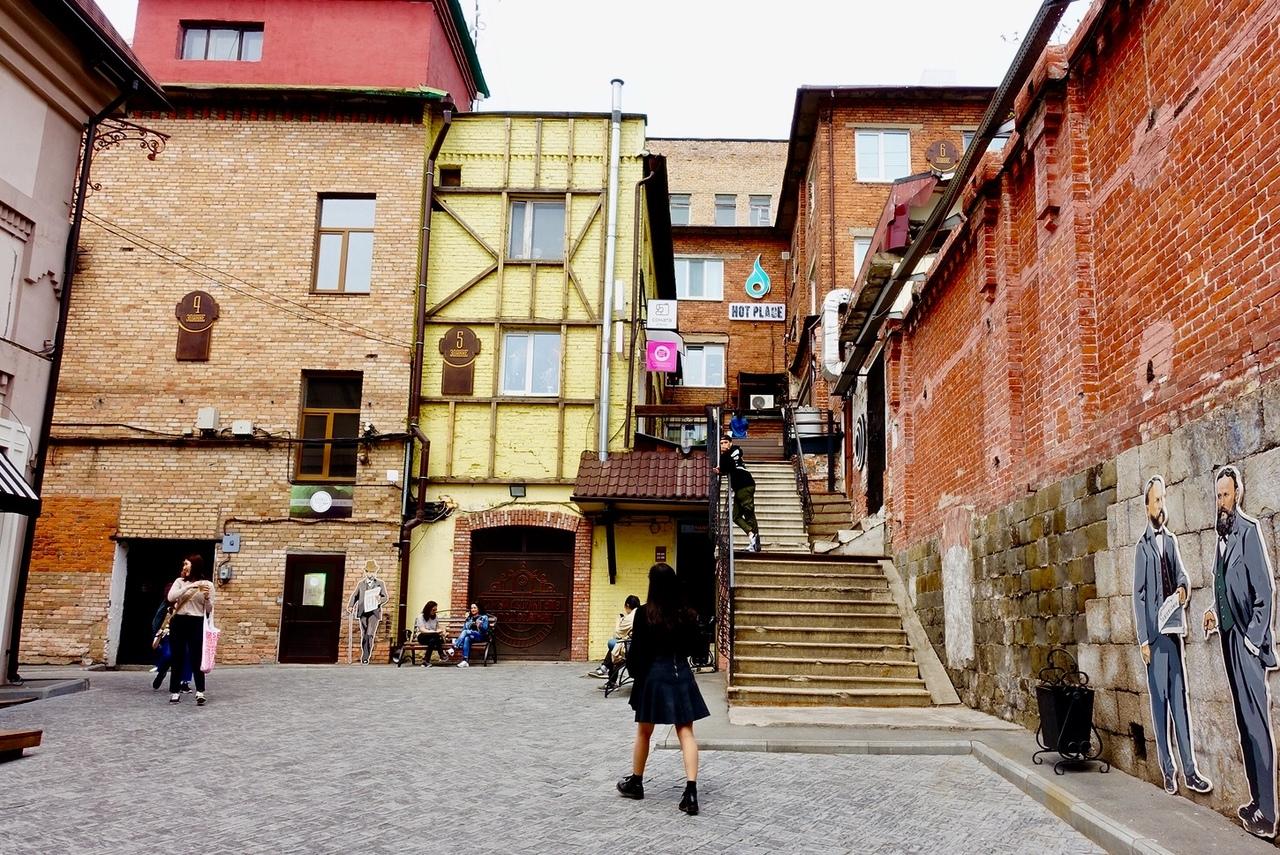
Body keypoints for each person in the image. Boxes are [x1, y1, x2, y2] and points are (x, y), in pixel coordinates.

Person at [1203, 466, 1277, 839]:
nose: (1222, 502)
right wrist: (1214, 613)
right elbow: (1225, 588)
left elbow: (1265, 593)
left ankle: (1269, 813)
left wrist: (1252, 639)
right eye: (1218, 496)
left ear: (1238, 495)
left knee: (1258, 726)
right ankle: (1256, 801)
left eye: (1226, 495)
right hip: (1228, 639)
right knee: (1244, 726)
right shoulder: (1222, 539)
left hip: (1247, 643)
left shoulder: (1247, 532)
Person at [1132, 475, 1211, 796]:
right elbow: (1138, 596)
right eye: (1157, 500)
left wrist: (1182, 589)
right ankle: (1168, 770)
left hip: (1174, 636)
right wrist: (1143, 640)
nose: (1161, 505)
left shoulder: (1172, 541)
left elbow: (1182, 576)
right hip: (1154, 640)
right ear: (1147, 507)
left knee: (1180, 703)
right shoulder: (1142, 548)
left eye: (1163, 499)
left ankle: (1190, 771)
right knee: (1160, 706)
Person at [616, 563, 710, 816]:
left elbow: (636, 652)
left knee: (644, 731)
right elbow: (699, 650)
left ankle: (636, 782)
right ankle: (691, 791)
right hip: (680, 673)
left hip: (653, 676)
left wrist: (637, 677)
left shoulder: (643, 613)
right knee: (686, 731)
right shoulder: (686, 613)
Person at [166, 555, 214, 706]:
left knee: (196, 657)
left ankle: (200, 691)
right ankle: (175, 691)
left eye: (186, 564)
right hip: (179, 620)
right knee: (177, 656)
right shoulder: (179, 582)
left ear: (195, 565)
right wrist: (188, 587)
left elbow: (209, 610)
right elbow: (170, 597)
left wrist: (207, 598)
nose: (184, 567)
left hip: (196, 621)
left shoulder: (208, 584)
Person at [714, 433, 760, 552]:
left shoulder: (733, 451)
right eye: (721, 443)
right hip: (739, 487)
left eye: (725, 442)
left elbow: (728, 466)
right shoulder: (728, 455)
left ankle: (755, 542)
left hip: (744, 484)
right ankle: (752, 536)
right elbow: (727, 468)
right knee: (735, 516)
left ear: (730, 443)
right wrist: (721, 469)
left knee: (749, 514)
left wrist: (721, 467)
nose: (723, 445)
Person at [590, 595, 640, 682]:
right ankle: (605, 668)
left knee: (612, 644)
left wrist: (619, 621)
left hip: (633, 647)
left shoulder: (631, 617)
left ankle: (605, 669)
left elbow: (617, 634)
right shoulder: (640, 613)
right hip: (640, 646)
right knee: (615, 650)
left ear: (627, 605)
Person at [349, 561, 389, 665]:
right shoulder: (361, 584)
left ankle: (366, 656)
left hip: (374, 612)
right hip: (363, 611)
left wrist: (380, 599)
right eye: (370, 572)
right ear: (366, 572)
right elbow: (355, 595)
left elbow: (385, 597)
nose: (371, 574)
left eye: (373, 572)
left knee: (370, 633)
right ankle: (365, 652)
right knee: (364, 634)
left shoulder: (380, 583)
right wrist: (351, 606)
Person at [448, 603, 489, 668]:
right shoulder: (469, 618)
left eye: (474, 608)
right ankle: (465, 661)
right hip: (471, 636)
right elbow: (464, 629)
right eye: (472, 608)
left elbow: (485, 630)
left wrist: (480, 626)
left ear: (478, 609)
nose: (473, 609)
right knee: (467, 638)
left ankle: (454, 647)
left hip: (480, 636)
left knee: (466, 632)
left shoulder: (484, 617)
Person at [413, 601, 447, 666]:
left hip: (433, 637)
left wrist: (442, 631)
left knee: (433, 640)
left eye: (436, 610)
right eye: (433, 610)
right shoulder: (421, 617)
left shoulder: (435, 617)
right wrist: (434, 632)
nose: (435, 611)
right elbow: (422, 630)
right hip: (423, 636)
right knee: (435, 637)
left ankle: (426, 660)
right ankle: (441, 654)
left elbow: (437, 628)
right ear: (428, 609)